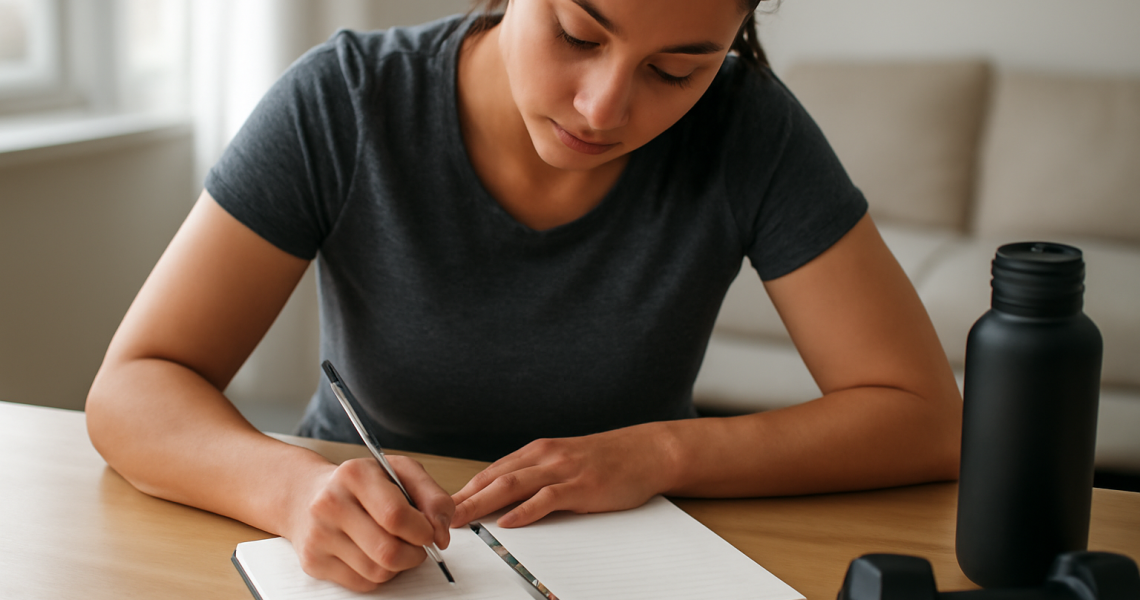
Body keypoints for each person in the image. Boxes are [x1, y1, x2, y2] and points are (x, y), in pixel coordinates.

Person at [86, 0, 963, 593]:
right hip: (369, 562)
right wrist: (286, 490)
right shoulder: (346, 102)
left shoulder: (748, 127)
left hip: (636, 559)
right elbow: (133, 388)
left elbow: (925, 418)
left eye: (676, 71)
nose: (603, 108)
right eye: (579, 33)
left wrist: (662, 453)